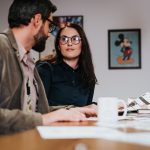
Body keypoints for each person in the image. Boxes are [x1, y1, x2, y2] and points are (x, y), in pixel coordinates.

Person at [0, 0, 96, 134]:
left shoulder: (28, 60)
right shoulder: (2, 48)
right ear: (37, 20)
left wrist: (72, 110)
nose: (49, 33)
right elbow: (41, 117)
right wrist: (46, 118)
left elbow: (37, 112)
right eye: (49, 26)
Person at [36, 23, 98, 110]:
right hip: (50, 123)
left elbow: (86, 108)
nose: (69, 43)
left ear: (82, 44)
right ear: (58, 45)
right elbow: (38, 108)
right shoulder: (45, 69)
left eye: (75, 39)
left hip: (80, 123)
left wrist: (105, 107)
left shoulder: (88, 75)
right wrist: (78, 109)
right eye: (64, 39)